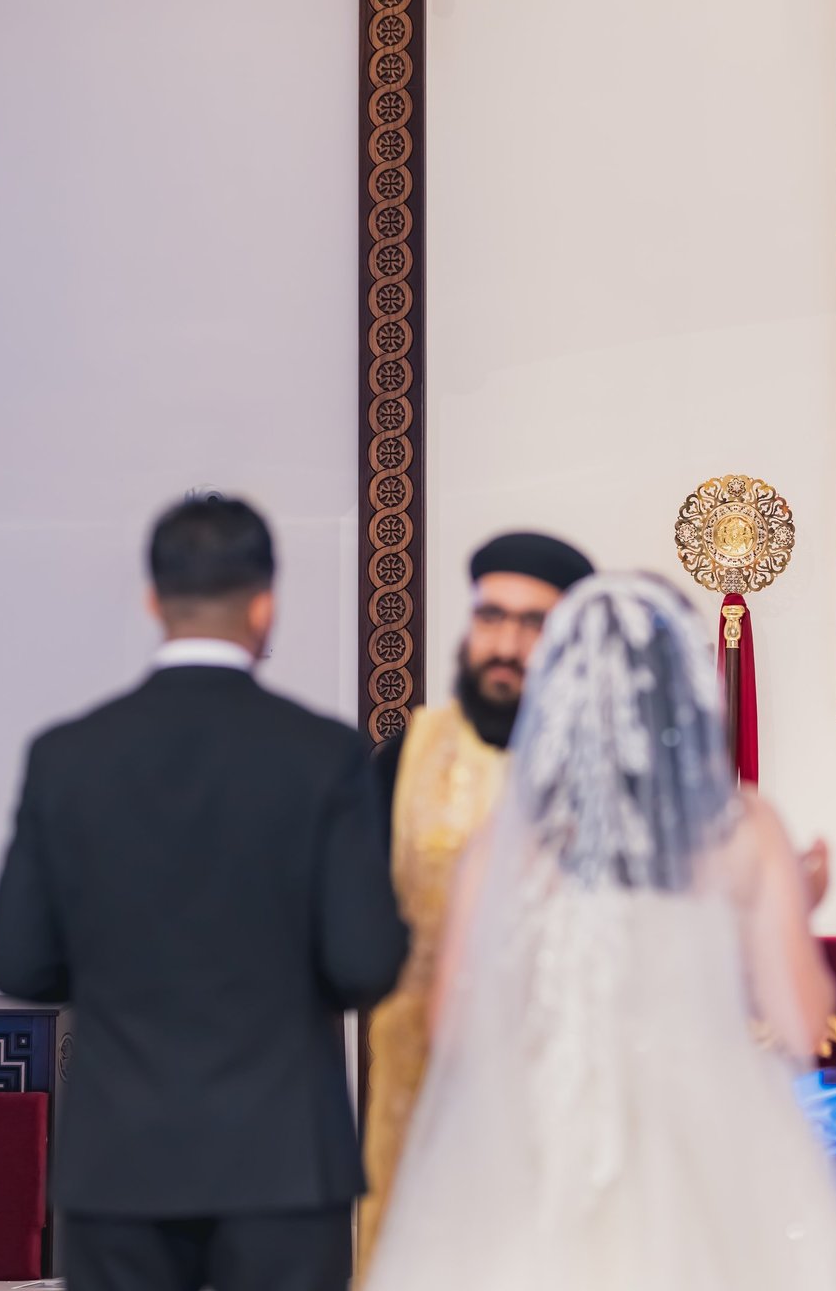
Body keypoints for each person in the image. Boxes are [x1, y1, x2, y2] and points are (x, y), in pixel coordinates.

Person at [363, 574, 836, 1290]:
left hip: (546, 1137)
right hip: (710, 1144)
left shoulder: (512, 840)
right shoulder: (743, 830)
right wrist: (791, 914)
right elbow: (804, 1022)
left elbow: (455, 1025)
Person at [0, 494, 408, 1291]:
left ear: (153, 601)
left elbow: (17, 961)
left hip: (119, 1161)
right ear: (264, 605)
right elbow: (364, 962)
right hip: (284, 1160)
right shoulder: (325, 755)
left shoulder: (67, 757)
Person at [354, 531, 595, 1271]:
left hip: (569, 1079)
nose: (506, 644)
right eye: (491, 616)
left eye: (533, 624)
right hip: (421, 1075)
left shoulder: (607, 759)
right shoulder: (408, 752)